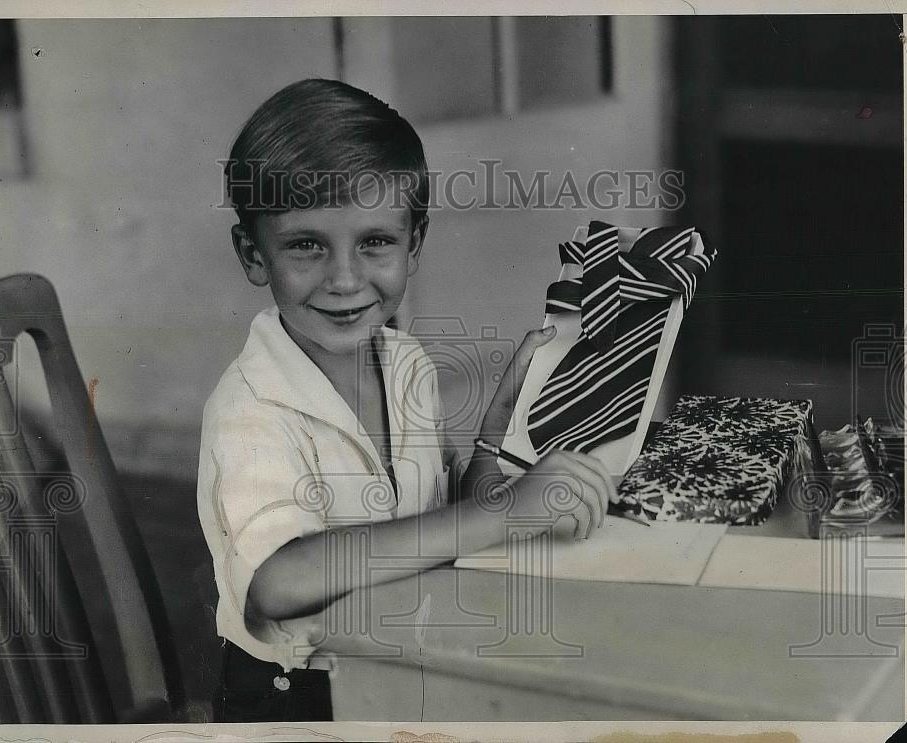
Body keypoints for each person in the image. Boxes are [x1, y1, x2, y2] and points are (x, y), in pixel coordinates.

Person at [196, 78, 617, 722]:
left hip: (402, 663)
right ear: (254, 255)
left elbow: (445, 525)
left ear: (414, 245)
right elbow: (278, 581)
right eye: (307, 244)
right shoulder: (251, 407)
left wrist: (503, 416)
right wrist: (508, 516)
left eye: (376, 242)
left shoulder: (406, 363)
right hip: (299, 702)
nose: (344, 279)